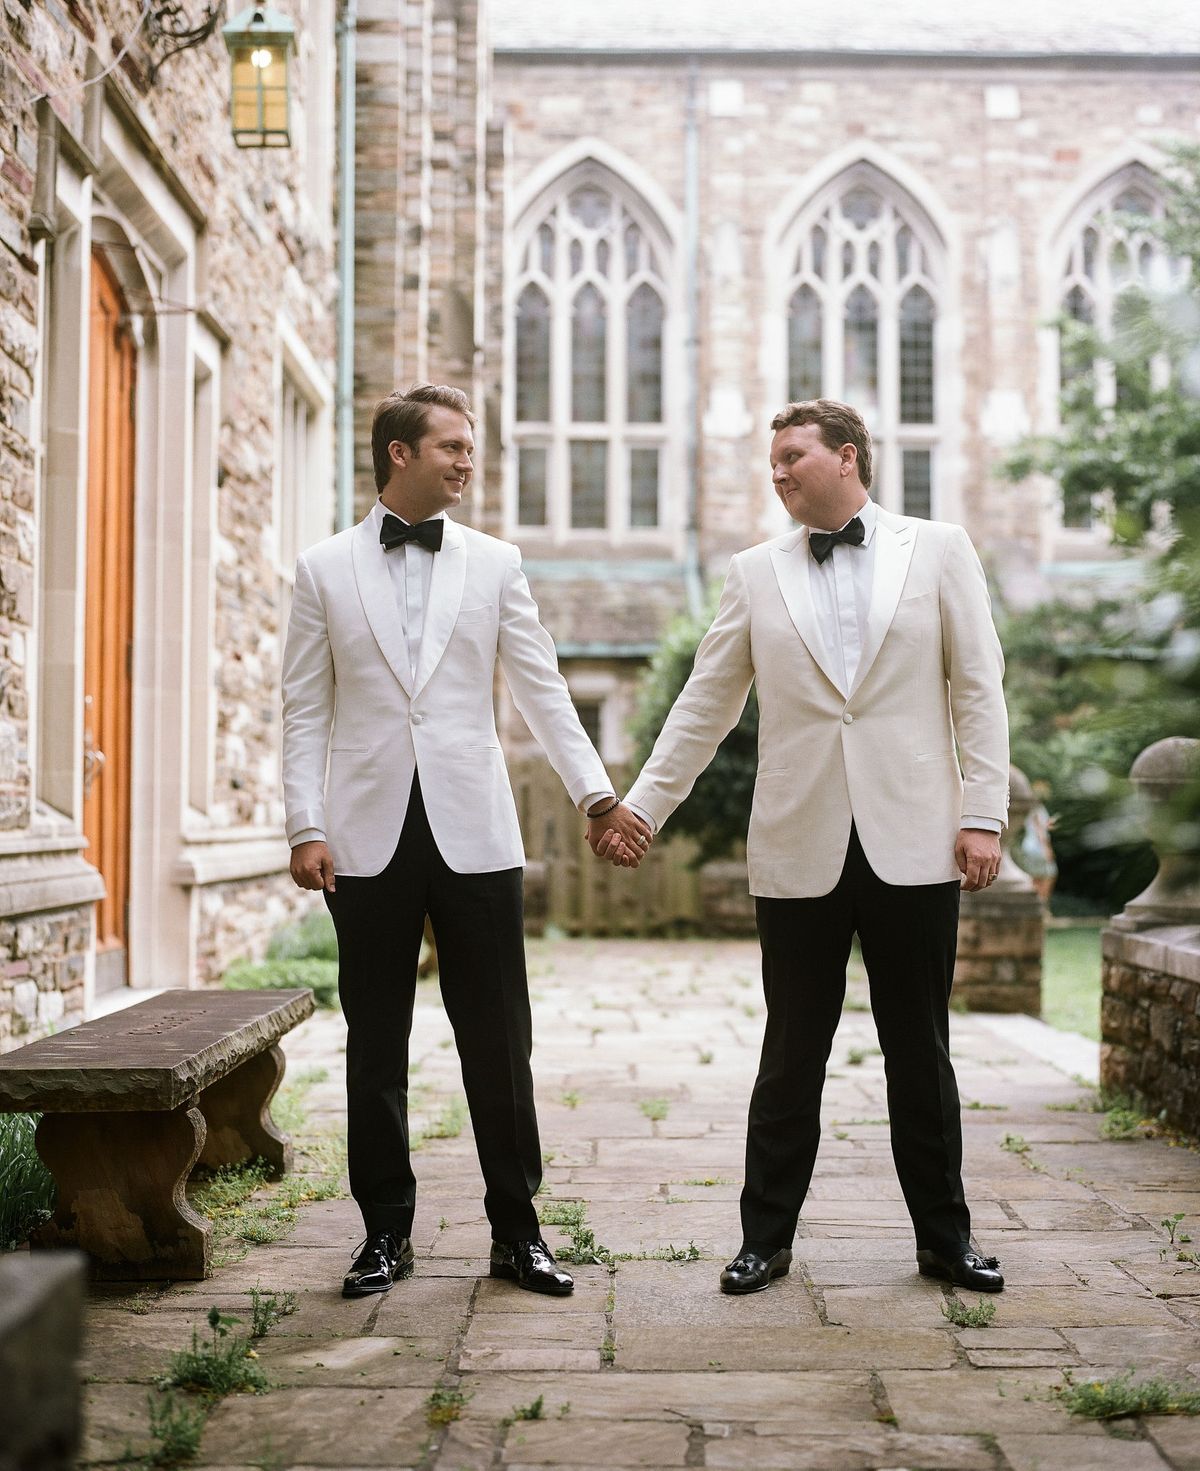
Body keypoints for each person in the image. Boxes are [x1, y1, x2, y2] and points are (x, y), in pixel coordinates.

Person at [606, 399, 1010, 1294]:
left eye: (793, 456)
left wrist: (984, 814)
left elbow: (979, 688)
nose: (778, 472)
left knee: (921, 1050)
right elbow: (704, 705)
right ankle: (765, 1239)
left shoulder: (939, 550)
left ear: (848, 457)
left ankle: (947, 1239)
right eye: (773, 461)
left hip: (914, 840)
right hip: (799, 843)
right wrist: (642, 807)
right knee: (790, 1052)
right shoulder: (755, 574)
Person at [282, 383, 649, 1299]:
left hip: (476, 835)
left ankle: (518, 1232)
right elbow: (303, 707)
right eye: (451, 444)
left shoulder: (494, 563)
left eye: (470, 445)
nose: (467, 459)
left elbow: (542, 684)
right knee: (376, 1042)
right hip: (363, 839)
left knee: (497, 1039)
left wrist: (597, 797)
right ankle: (383, 1233)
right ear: (399, 453)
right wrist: (305, 822)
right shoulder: (323, 567)